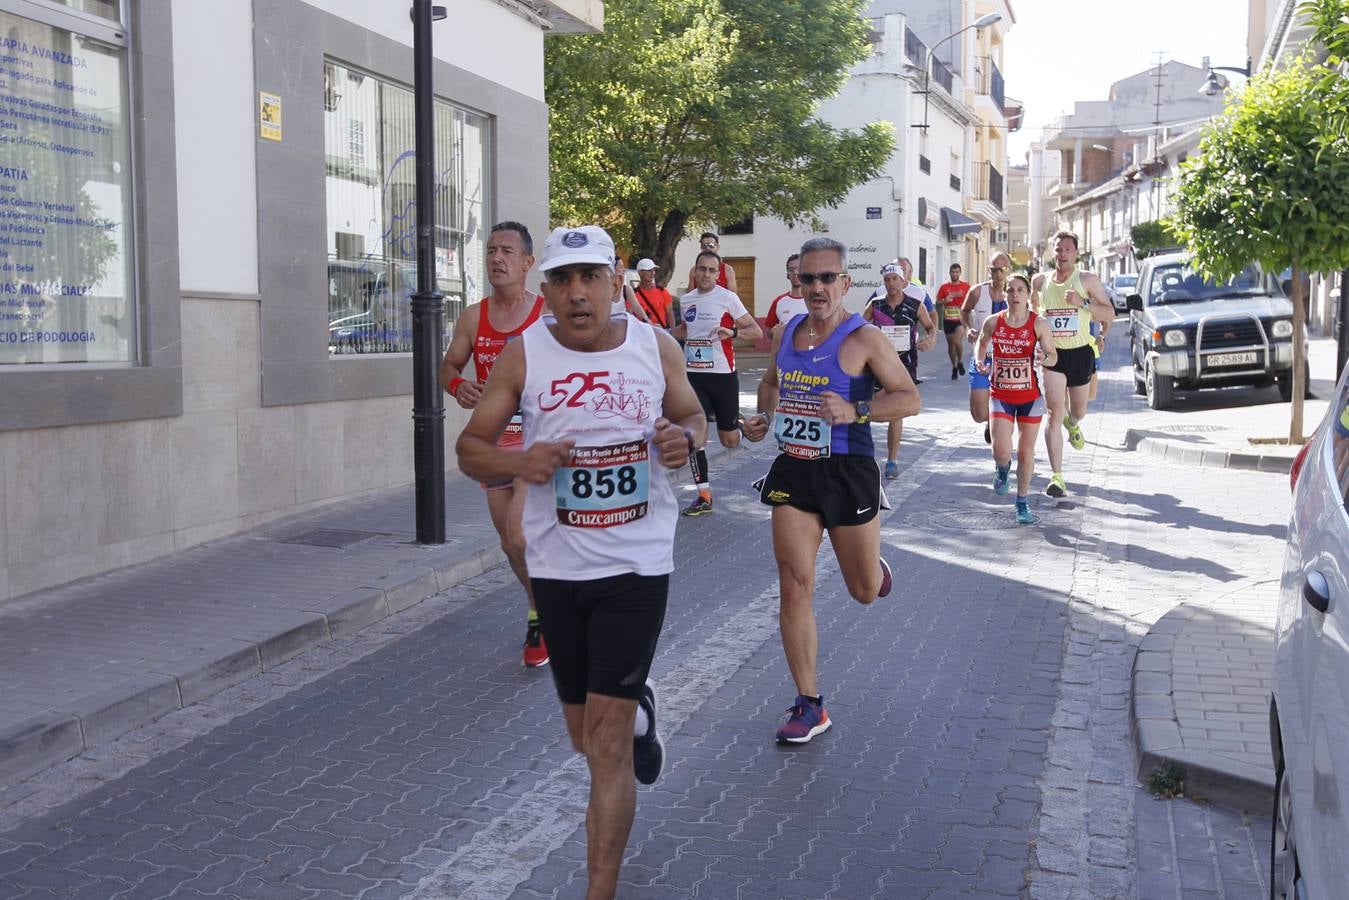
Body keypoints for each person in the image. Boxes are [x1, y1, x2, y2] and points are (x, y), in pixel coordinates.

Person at [456, 225, 706, 900]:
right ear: (546, 290)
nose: (575, 294)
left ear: (613, 279)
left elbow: (691, 414)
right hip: (558, 570)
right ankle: (640, 710)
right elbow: (470, 447)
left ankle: (600, 891)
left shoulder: (654, 347)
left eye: (588, 277)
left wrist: (683, 439)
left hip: (635, 564)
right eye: (562, 280)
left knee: (604, 746)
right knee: (583, 737)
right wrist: (517, 461)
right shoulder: (522, 355)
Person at [741, 236, 919, 744]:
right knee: (794, 582)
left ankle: (871, 569)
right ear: (796, 282)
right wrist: (765, 416)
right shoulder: (789, 330)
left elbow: (908, 399)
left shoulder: (862, 338)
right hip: (795, 468)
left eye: (826, 278)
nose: (816, 287)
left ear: (844, 283)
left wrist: (857, 410)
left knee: (862, 592)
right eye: (807, 278)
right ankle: (809, 703)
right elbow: (772, 383)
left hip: (848, 470)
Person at [439, 221, 550, 668]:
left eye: (506, 251)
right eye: (490, 251)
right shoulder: (473, 317)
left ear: (527, 262)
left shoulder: (546, 314)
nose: (496, 258)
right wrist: (456, 385)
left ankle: (543, 623)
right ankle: (540, 607)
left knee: (520, 534)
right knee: (509, 544)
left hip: (537, 439)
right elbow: (448, 364)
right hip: (494, 444)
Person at [671, 249, 762, 516]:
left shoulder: (727, 298)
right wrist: (657, 334)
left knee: (729, 440)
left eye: (712, 270)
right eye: (702, 269)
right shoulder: (686, 300)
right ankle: (704, 496)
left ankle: (738, 425)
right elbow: (684, 331)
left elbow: (755, 332)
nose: (706, 274)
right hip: (693, 376)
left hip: (723, 376)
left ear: (718, 273)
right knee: (694, 437)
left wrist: (731, 332)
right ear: (695, 270)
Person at [1030, 231, 1115, 497]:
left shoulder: (1087, 280)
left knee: (1077, 412)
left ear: (1076, 253)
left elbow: (1110, 312)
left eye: (1068, 249)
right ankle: (1057, 477)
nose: (1063, 253)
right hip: (1053, 356)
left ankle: (1074, 424)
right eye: (1058, 249)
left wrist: (1084, 305)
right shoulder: (1040, 281)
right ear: (1052, 252)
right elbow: (1034, 310)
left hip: (1080, 353)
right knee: (1054, 413)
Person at [974, 273, 1058, 524]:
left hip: (1031, 397)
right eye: (1010, 290)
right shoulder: (993, 322)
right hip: (1001, 394)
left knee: (1025, 452)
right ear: (1004, 294)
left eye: (1020, 290)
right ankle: (1002, 469)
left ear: (1027, 295)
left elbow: (1053, 356)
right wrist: (981, 362)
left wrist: (1045, 359)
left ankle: (1022, 502)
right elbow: (981, 343)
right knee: (1001, 450)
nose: (1015, 295)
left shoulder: (1038, 324)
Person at [863, 261, 936, 479]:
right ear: (883, 282)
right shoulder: (875, 305)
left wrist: (929, 339)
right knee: (874, 405)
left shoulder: (915, 304)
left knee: (896, 410)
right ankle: (865, 451)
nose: (891, 283)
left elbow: (931, 326)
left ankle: (892, 460)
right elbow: (858, 327)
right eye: (887, 279)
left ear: (903, 281)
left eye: (895, 279)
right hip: (879, 362)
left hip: (905, 363)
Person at [961, 253, 1012, 444]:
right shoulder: (977, 292)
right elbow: (964, 311)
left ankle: (1000, 427)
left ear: (1009, 270)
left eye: (1003, 270)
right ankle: (990, 419)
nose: (998, 274)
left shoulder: (1017, 293)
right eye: (994, 270)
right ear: (989, 270)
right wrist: (968, 328)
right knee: (978, 414)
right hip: (982, 357)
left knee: (1006, 410)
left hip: (1008, 360)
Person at [937, 263, 971, 379]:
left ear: (960, 273)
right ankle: (954, 366)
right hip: (948, 320)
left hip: (960, 320)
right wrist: (944, 301)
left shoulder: (966, 286)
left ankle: (960, 361)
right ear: (950, 273)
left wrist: (965, 305)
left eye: (957, 272)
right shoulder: (944, 288)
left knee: (957, 341)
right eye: (953, 272)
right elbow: (938, 303)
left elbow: (972, 300)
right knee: (951, 346)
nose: (955, 274)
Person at [763, 253, 807, 336]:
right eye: (791, 270)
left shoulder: (814, 300)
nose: (795, 273)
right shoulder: (779, 301)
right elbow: (769, 332)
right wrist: (774, 332)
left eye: (798, 269)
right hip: (785, 348)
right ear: (788, 274)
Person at [633, 258, 674, 329]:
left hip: (660, 333)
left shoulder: (662, 291)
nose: (652, 273)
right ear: (640, 273)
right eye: (649, 270)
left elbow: (670, 314)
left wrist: (672, 333)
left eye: (654, 270)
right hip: (641, 334)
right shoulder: (633, 294)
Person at [611, 256, 649, 323]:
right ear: (612, 268)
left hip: (619, 328)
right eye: (621, 267)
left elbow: (637, 307)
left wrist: (648, 322)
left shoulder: (626, 289)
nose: (624, 270)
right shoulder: (604, 289)